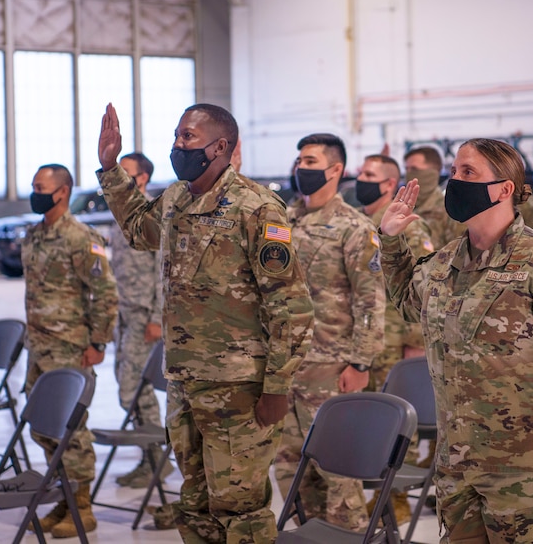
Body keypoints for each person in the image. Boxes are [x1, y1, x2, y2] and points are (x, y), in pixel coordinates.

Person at [380, 138, 533, 543]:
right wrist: (391, 241)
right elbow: (408, 303)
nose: (454, 181)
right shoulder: (445, 263)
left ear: (505, 188)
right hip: (459, 469)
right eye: (454, 172)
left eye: (468, 173)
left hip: (532, 475)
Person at [97, 103, 315, 543]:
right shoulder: (178, 197)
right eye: (177, 135)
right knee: (195, 503)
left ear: (220, 146)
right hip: (184, 380)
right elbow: (140, 230)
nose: (178, 145)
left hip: (238, 386)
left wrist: (277, 386)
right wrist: (110, 169)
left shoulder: (256, 207)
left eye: (188, 138)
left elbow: (289, 305)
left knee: (240, 508)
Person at [273, 134, 384, 531]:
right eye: (299, 160)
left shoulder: (354, 227)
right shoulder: (283, 220)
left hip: (331, 366)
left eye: (310, 161)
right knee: (289, 466)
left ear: (335, 169)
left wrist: (360, 361)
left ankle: (350, 536)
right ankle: (307, 535)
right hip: (284, 365)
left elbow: (370, 301)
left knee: (338, 470)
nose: (301, 168)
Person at [22, 163, 118, 537]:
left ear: (62, 192)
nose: (35, 191)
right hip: (38, 349)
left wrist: (98, 342)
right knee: (43, 430)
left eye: (41, 186)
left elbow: (106, 293)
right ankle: (65, 497)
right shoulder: (33, 235)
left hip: (70, 350)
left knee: (71, 430)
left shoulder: (82, 238)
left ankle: (83, 507)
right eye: (33, 185)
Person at [356, 153, 434, 523]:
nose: (361, 178)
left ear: (389, 183)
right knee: (367, 422)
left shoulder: (409, 227)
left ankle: (397, 498)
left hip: (394, 341)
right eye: (360, 172)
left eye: (369, 174)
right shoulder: (360, 222)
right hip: (367, 340)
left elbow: (423, 288)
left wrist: (415, 344)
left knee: (397, 426)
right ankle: (374, 493)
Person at [109, 152, 168, 488]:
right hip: (124, 315)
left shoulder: (151, 216)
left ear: (142, 179)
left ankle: (156, 458)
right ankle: (150, 459)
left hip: (145, 317)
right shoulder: (122, 215)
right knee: (130, 388)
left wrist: (157, 318)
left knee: (132, 390)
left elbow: (164, 270)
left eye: (126, 173)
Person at [403, 146, 462, 249]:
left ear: (433, 172)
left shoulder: (451, 210)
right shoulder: (402, 208)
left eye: (414, 169)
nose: (409, 174)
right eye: (406, 169)